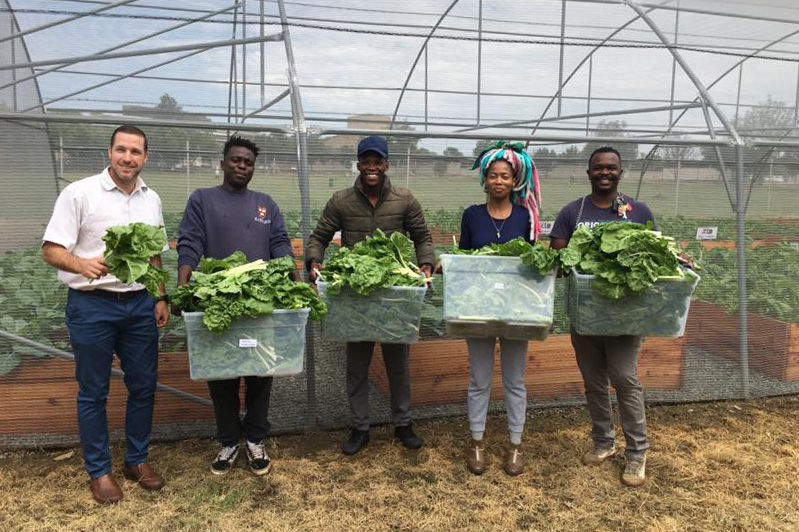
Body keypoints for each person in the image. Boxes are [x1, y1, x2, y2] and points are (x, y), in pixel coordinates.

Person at [41, 125, 170, 504]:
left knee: (143, 387)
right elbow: (51, 250)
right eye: (121, 150)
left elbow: (154, 254)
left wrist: (160, 296)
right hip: (92, 305)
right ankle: (99, 471)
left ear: (145, 157)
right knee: (94, 391)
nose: (128, 158)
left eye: (136, 152)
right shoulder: (80, 193)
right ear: (109, 152)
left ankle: (137, 459)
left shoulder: (152, 199)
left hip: (139, 304)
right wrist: (81, 264)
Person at [305, 135, 435, 455]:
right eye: (366, 161)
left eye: (378, 161)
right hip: (356, 295)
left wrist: (427, 265)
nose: (372, 167)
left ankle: (403, 424)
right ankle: (360, 427)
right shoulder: (342, 200)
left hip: (393, 295)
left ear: (387, 164)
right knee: (357, 365)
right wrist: (313, 261)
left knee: (398, 364)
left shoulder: (404, 199)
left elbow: (422, 237)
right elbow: (319, 235)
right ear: (359, 164)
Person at [176, 136, 295, 477]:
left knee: (261, 373)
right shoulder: (202, 199)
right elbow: (190, 242)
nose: (242, 166)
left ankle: (256, 439)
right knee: (222, 375)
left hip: (260, 304)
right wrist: (184, 287)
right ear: (223, 162)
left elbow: (280, 243)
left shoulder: (265, 204)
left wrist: (294, 280)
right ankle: (229, 441)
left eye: (248, 162)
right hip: (219, 302)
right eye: (236, 160)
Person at [549, 146, 657, 488]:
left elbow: (655, 251)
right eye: (599, 167)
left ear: (621, 173)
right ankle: (603, 442)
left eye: (612, 167)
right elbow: (559, 258)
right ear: (589, 172)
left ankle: (637, 452)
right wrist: (573, 260)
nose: (605, 172)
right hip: (586, 314)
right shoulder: (573, 211)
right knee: (594, 382)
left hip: (625, 315)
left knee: (625, 379)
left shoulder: (637, 211)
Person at [459, 141, 542, 476]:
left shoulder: (525, 217)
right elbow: (463, 257)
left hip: (515, 310)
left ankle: (514, 445)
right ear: (484, 179)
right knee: (479, 380)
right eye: (493, 175)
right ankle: (477, 442)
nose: (498, 181)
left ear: (515, 181)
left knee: (514, 381)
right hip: (479, 309)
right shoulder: (471, 215)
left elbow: (534, 261)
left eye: (505, 176)